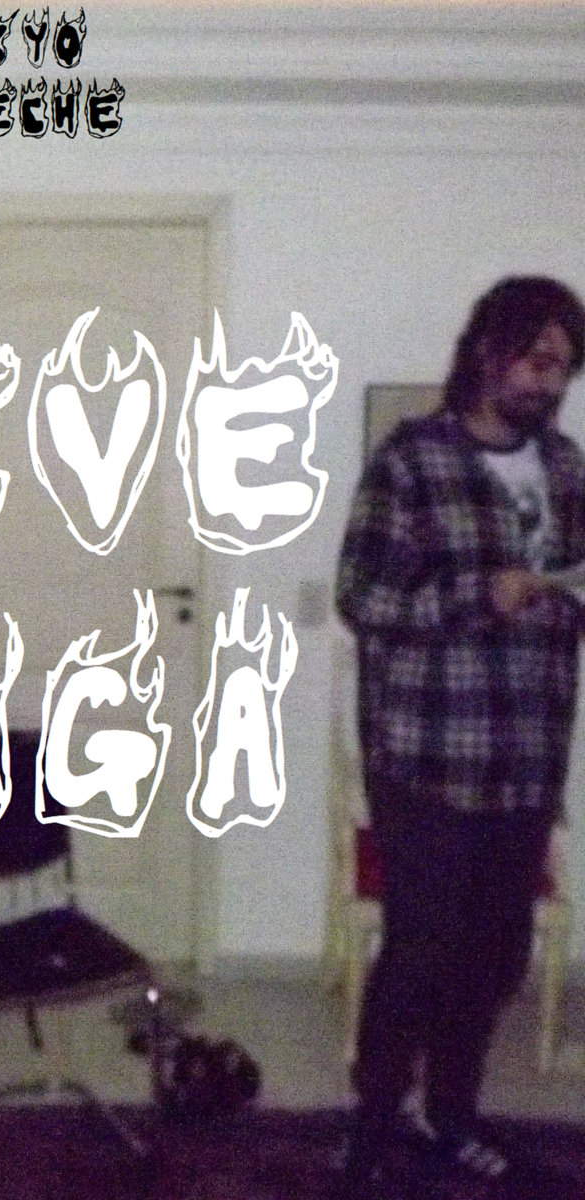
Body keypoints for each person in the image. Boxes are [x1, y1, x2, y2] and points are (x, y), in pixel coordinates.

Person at [335, 275, 585, 1194]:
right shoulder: (412, 461)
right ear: (488, 350)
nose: (550, 381)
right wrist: (483, 595)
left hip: (528, 762)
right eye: (536, 359)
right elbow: (363, 598)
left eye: (564, 366)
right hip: (428, 761)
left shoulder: (567, 468)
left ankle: (452, 1114)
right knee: (419, 955)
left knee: (494, 958)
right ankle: (373, 1120)